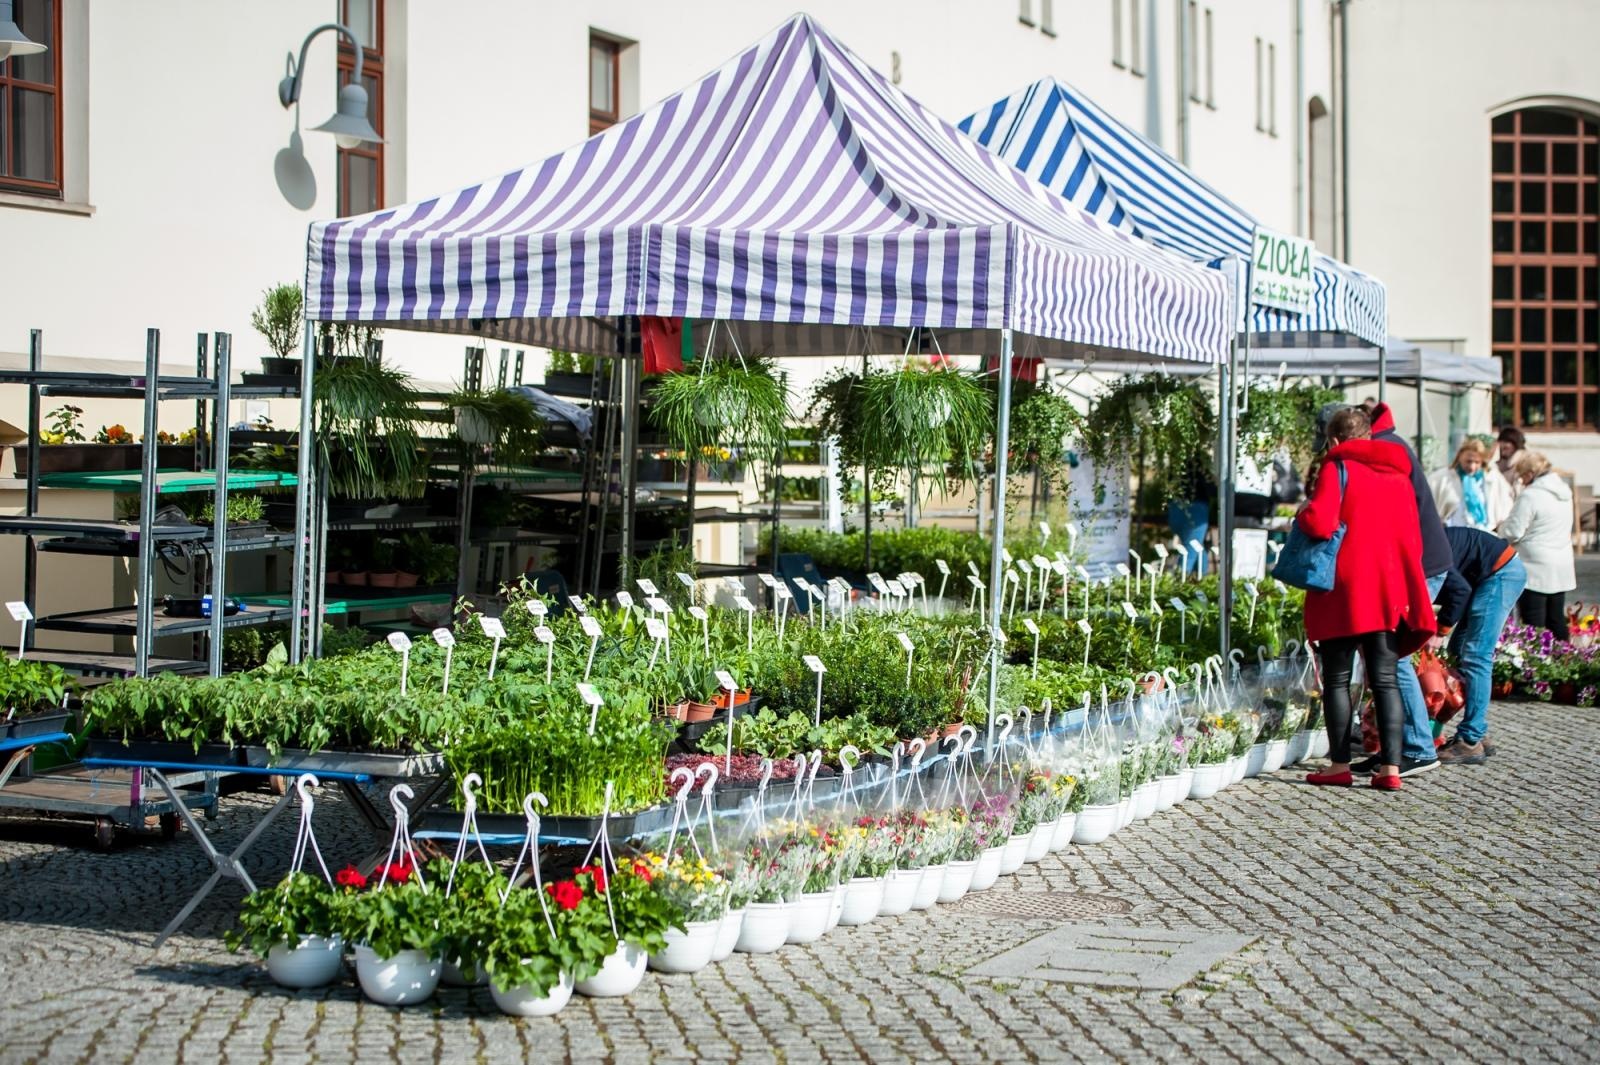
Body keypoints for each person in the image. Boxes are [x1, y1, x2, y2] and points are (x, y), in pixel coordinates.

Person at [1298, 407, 1438, 791]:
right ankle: (1390, 770)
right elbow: (1412, 538)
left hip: (1344, 590)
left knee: (1338, 679)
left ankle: (1339, 765)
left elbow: (1321, 522)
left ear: (1335, 441)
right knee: (1386, 681)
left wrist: (1303, 515)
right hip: (1389, 590)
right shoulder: (1399, 475)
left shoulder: (1336, 467)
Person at [1352, 400, 1452, 776]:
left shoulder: (1387, 449)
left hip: (1419, 566)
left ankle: (1417, 747)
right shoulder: (1388, 443)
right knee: (1389, 656)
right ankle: (1396, 747)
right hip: (1418, 563)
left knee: (1393, 656)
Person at [1431, 526, 1527, 765]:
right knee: (1458, 652)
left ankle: (1470, 740)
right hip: (1480, 578)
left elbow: (1459, 591)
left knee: (1476, 656)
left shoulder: (1423, 549)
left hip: (1500, 573)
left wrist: (1440, 631)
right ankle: (1478, 730)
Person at [1498, 451, 1576, 640]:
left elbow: (1513, 531)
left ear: (1531, 474)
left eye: (1523, 476)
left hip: (1534, 566)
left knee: (1533, 623)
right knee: (1556, 619)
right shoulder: (1565, 493)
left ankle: (1535, 665)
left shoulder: (1531, 496)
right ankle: (1565, 661)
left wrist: (1500, 528)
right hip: (1561, 563)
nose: (1522, 482)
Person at [1427, 439, 1514, 530]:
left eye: (1477, 462)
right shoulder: (1442, 478)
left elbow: (1505, 505)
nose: (1472, 467)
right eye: (1468, 461)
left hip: (1484, 534)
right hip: (1452, 535)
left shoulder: (1493, 479)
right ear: (1459, 457)